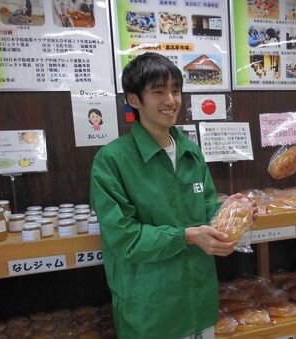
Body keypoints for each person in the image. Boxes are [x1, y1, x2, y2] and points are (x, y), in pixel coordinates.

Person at [90, 52, 251, 339]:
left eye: (176, 91)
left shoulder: (190, 150)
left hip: (199, 303)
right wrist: (186, 236)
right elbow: (123, 238)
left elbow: (205, 209)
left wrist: (231, 213)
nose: (171, 100)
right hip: (150, 311)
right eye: (158, 92)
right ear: (134, 99)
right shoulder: (112, 160)